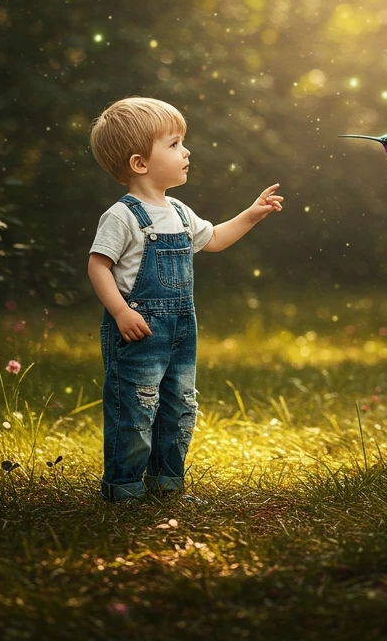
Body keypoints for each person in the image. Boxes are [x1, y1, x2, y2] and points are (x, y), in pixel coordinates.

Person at [87, 96, 283, 501]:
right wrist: (120, 311)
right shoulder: (122, 216)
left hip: (179, 330)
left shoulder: (178, 211)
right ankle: (123, 488)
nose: (186, 151)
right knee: (136, 409)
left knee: (177, 406)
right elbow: (98, 266)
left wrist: (252, 213)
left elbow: (213, 240)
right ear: (140, 163)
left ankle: (166, 483)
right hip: (139, 331)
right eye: (174, 144)